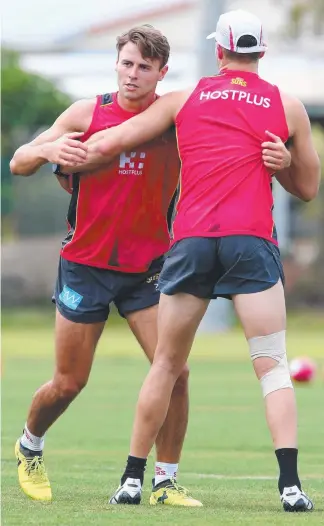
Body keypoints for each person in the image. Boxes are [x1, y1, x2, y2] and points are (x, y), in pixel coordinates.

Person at [68, 10, 321, 512]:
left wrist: (51, 150)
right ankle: (291, 487)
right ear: (261, 53)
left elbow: (111, 139)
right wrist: (286, 165)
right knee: (271, 369)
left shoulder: (185, 99)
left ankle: (132, 481)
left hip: (191, 244)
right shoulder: (287, 106)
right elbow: (308, 189)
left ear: (219, 52)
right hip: (251, 242)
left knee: (165, 364)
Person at [10, 25, 202, 507]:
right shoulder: (86, 112)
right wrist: (47, 148)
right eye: (127, 63)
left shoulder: (174, 117)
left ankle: (165, 481)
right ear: (116, 64)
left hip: (150, 269)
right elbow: (18, 160)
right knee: (69, 382)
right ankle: (29, 444)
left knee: (176, 372)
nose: (133, 74)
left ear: (162, 72)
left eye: (144, 67)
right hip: (85, 266)